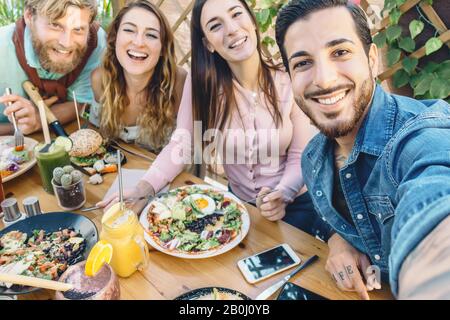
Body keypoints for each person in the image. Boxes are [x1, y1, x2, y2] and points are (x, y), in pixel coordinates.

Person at [98, 0, 331, 240]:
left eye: (236, 14)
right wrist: (144, 189)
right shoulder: (202, 85)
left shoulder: (289, 78)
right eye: (215, 25)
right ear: (208, 43)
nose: (231, 29)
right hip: (240, 208)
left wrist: (282, 193)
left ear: (252, 21)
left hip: (297, 206)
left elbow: (302, 154)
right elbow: (183, 143)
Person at [275, 0, 450, 299]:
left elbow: (435, 192)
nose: (324, 80)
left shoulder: (418, 136)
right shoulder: (314, 158)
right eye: (303, 62)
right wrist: (336, 241)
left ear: (372, 59)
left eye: (340, 52)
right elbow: (327, 215)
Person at [90, 0, 187, 153]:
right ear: (115, 38)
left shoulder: (179, 84)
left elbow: (191, 153)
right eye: (129, 30)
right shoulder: (100, 79)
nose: (139, 42)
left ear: (162, 47)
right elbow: (97, 139)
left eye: (151, 35)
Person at [0, 0, 106, 136]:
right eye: (55, 25)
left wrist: (38, 120)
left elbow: (77, 103)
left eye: (78, 29)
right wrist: (17, 128)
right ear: (29, 16)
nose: (66, 43)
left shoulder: (95, 43)